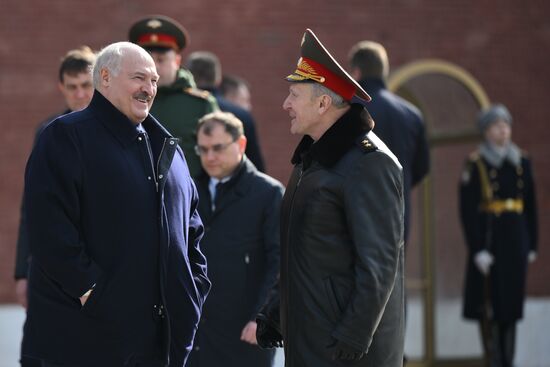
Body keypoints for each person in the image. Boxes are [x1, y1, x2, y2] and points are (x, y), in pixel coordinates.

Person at [21, 42, 210, 367]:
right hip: (88, 342)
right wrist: (93, 292)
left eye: (153, 80)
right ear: (105, 78)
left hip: (161, 347)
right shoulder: (65, 137)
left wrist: (193, 291)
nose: (149, 89)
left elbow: (191, 230)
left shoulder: (169, 148)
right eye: (139, 78)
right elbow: (48, 229)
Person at [256, 29, 405, 367]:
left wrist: (354, 335)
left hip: (345, 351)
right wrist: (276, 311)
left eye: (294, 95)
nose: (285, 104)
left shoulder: (369, 162)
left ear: (323, 103)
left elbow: (379, 264)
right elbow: (303, 250)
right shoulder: (313, 159)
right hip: (312, 340)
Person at [187, 111, 283, 367]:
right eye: (203, 149)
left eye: (217, 148)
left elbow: (281, 262)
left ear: (240, 144)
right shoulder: (188, 191)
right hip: (196, 334)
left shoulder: (269, 194)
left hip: (246, 332)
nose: (209, 157)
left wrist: (262, 317)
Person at [14, 45, 96, 309]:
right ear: (61, 87)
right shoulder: (48, 132)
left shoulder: (116, 128)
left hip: (103, 258)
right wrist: (21, 271)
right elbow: (33, 204)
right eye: (72, 87)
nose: (80, 94)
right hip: (58, 260)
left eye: (86, 85)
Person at [459, 104, 538, 367]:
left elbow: (531, 205)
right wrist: (478, 248)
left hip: (515, 240)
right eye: (496, 125)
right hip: (490, 243)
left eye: (506, 125)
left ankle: (509, 360)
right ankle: (494, 360)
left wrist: (532, 243)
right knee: (490, 306)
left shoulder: (521, 162)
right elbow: (468, 210)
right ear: (486, 131)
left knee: (511, 309)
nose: (503, 130)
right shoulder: (477, 163)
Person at [348, 40, 430, 241]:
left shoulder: (346, 109)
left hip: (355, 208)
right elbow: (422, 167)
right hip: (397, 208)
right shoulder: (412, 114)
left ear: (356, 72)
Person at [129, 15, 218, 177]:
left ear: (177, 60)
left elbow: (217, 153)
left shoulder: (199, 104)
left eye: (161, 59)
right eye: (148, 59)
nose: (153, 66)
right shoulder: (127, 98)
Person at [185, 51, 266, 172]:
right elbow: (256, 163)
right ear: (218, 79)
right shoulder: (242, 114)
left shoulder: (180, 112)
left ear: (188, 75)